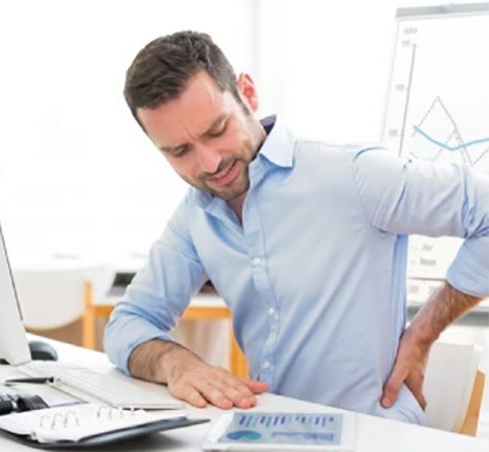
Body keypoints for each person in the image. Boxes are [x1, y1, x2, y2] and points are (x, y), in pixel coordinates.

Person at [104, 31, 489, 424]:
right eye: (180, 151)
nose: (209, 163)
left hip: (374, 433)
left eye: (216, 131)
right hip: (271, 432)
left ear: (247, 93)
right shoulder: (195, 215)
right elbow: (128, 323)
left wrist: (422, 334)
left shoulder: (353, 175)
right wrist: (177, 364)